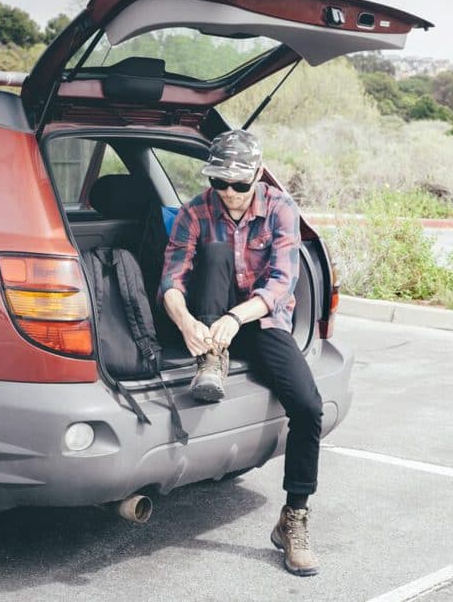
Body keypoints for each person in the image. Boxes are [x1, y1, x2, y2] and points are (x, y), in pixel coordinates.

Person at [158, 129, 323, 577]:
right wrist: (187, 322)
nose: (228, 193)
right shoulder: (195, 211)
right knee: (212, 254)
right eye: (219, 183)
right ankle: (210, 361)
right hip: (208, 324)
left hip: (259, 320)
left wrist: (235, 317)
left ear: (257, 174)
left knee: (308, 407)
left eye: (239, 184)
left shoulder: (280, 209)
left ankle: (294, 519)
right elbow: (172, 281)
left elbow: (280, 284)